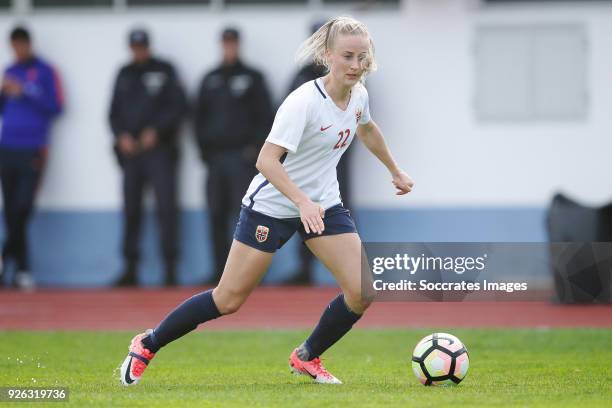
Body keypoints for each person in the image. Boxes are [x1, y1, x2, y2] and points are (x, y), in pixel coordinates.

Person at [119, 16, 413, 385]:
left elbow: (366, 128)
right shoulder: (303, 101)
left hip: (323, 205)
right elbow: (265, 161)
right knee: (227, 300)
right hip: (271, 207)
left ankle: (307, 356)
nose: (356, 65)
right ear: (327, 55)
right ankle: (147, 343)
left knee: (361, 291)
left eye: (362, 57)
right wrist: (301, 202)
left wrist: (395, 170)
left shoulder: (359, 95)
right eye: (348, 56)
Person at [194, 27, 273, 283]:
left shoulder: (253, 77)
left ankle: (249, 274)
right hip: (216, 159)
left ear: (239, 45)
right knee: (216, 215)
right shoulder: (210, 78)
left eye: (233, 43)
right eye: (225, 43)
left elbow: (266, 117)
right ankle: (220, 272)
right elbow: (198, 118)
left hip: (243, 159)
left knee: (247, 217)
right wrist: (205, 152)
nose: (229, 48)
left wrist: (254, 151)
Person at [109, 29, 187, 287]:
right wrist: (121, 136)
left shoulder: (165, 70)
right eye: (135, 47)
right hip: (132, 155)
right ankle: (130, 268)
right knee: (131, 210)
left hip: (160, 153)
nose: (138, 51)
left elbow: (178, 107)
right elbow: (113, 113)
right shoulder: (124, 73)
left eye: (142, 46)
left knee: (166, 210)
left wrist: (157, 131)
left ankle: (170, 269)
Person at [284, 21, 354, 285]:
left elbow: (360, 117)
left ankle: (344, 270)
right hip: (306, 159)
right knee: (303, 209)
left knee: (338, 208)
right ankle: (304, 268)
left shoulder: (350, 73)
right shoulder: (302, 76)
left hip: (336, 157)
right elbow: (286, 117)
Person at [0, 26, 63, 289]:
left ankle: (6, 260)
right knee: (12, 210)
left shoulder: (46, 72)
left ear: (28, 44)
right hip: (7, 147)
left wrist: (24, 90)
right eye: (13, 46)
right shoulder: (8, 71)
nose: (18, 50)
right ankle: (22, 268)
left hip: (33, 149)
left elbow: (56, 106)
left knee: (23, 209)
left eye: (21, 45)